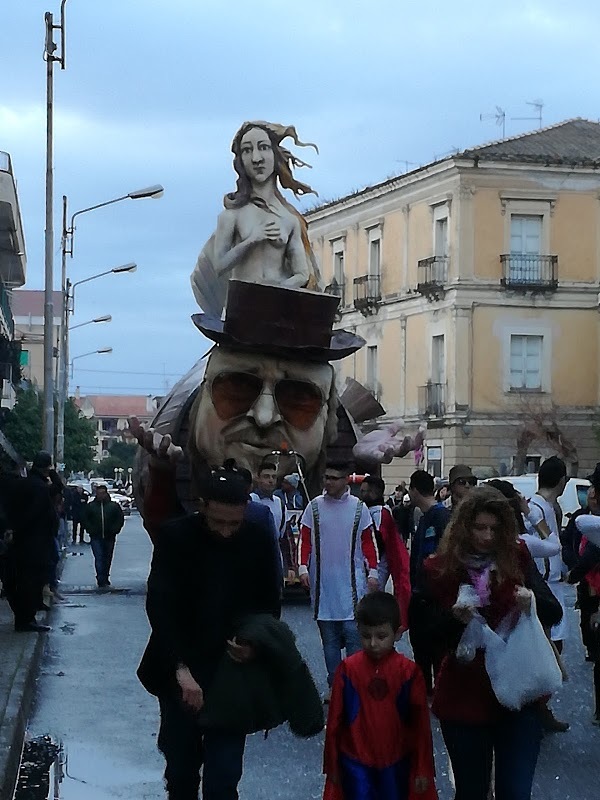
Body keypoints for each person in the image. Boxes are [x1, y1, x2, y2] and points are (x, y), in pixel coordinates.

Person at [137, 471, 281, 800]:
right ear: (202, 507)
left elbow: (269, 603)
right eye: (218, 522)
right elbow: (160, 606)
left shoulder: (257, 538)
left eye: (234, 523)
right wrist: (179, 667)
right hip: (180, 668)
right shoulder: (175, 537)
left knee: (224, 777)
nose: (226, 532)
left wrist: (254, 644)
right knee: (182, 772)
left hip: (231, 671)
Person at [423, 486, 557, 800]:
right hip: (464, 693)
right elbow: (425, 636)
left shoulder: (517, 557)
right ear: (463, 527)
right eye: (479, 528)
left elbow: (554, 610)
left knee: (515, 791)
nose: (486, 537)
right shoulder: (439, 568)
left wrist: (531, 601)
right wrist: (453, 619)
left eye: (494, 530)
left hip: (517, 690)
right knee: (471, 792)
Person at [191, 121, 321, 317]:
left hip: (276, 312)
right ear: (241, 161)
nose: (256, 158)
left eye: (263, 147)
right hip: (241, 311)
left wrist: (276, 290)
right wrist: (252, 240)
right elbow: (219, 266)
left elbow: (302, 274)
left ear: (274, 155)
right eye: (247, 150)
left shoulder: (289, 220)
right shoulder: (232, 216)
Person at [323, 592, 437, 800]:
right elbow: (334, 721)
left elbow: (420, 723)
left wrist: (423, 767)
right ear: (358, 631)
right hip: (355, 759)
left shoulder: (408, 672)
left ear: (397, 632)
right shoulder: (348, 669)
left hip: (396, 758)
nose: (373, 644)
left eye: (381, 636)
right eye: (366, 636)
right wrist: (332, 765)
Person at [298, 461, 379, 692]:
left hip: (352, 588)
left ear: (346, 481)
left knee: (355, 640)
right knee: (330, 643)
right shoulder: (314, 507)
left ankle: (354, 685)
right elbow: (304, 539)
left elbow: (368, 542)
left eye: (334, 478)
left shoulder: (358, 508)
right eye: (326, 477)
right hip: (323, 588)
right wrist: (303, 567)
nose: (328, 482)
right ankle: (336, 686)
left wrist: (373, 571)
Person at [407, 469, 451, 694]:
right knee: (421, 650)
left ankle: (441, 693)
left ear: (414, 490)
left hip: (435, 598)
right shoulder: (423, 518)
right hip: (420, 597)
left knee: (437, 651)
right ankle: (424, 692)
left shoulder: (442, 517)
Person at [5, 451, 58, 632]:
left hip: (28, 541)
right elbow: (34, 514)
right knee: (31, 580)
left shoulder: (25, 484)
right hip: (35, 542)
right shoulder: (38, 487)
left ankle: (26, 616)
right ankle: (26, 619)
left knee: (26, 580)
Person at [359, 475, 411, 630]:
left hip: (378, 564)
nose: (361, 494)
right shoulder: (376, 511)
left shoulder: (379, 512)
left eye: (364, 491)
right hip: (375, 563)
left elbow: (378, 540)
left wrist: (370, 566)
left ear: (373, 493)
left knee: (372, 598)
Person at [82, 484, 125, 589]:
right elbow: (85, 519)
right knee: (99, 557)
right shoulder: (91, 506)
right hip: (96, 536)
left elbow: (119, 519)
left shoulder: (113, 506)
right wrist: (90, 530)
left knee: (107, 557)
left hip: (109, 536)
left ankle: (105, 576)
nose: (100, 495)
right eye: (98, 493)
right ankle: (100, 578)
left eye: (102, 493)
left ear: (106, 493)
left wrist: (115, 530)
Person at [249, 461, 285, 535]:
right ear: (258, 478)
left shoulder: (280, 503)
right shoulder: (249, 500)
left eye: (274, 477)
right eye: (266, 476)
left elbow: (283, 533)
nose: (271, 480)